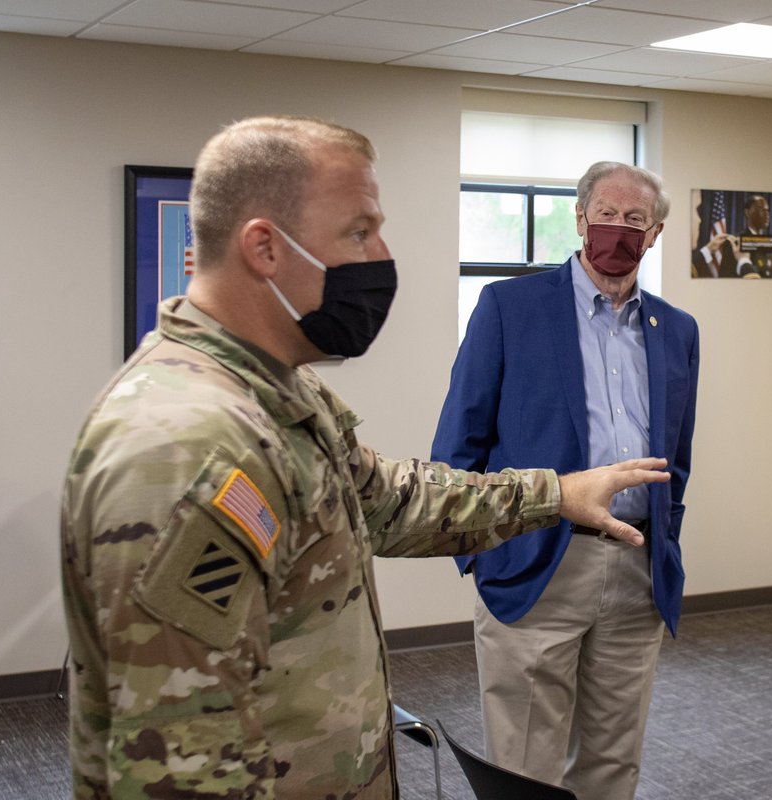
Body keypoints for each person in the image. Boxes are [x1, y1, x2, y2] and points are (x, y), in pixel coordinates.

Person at [60, 117, 671, 799]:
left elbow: (389, 499)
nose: (380, 255)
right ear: (264, 247)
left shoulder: (285, 393)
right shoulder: (188, 444)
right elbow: (176, 760)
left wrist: (555, 495)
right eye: (358, 232)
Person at [432, 161, 700, 800]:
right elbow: (458, 442)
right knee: (526, 764)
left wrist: (664, 542)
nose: (619, 229)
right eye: (606, 214)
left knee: (614, 760)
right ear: (580, 219)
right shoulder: (509, 308)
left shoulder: (678, 329)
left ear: (656, 232)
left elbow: (678, 454)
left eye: (635, 220)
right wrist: (481, 556)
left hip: (636, 566)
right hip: (535, 562)